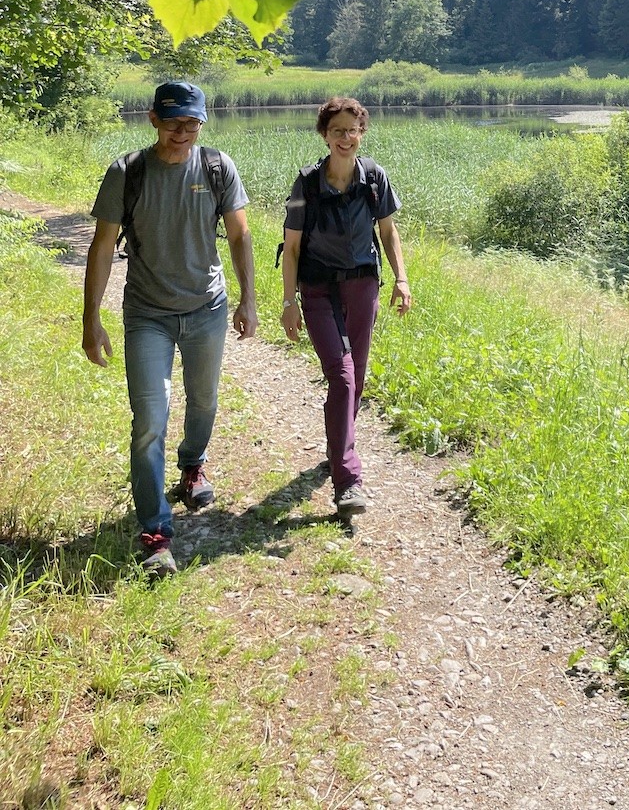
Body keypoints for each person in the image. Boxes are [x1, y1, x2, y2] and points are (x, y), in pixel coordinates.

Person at [82, 81, 257, 578]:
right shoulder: (127, 172)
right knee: (149, 419)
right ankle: (156, 533)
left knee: (204, 401)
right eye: (174, 122)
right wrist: (91, 318)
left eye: (192, 124)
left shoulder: (217, 167)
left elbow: (241, 234)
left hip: (207, 307)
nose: (183, 133)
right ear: (153, 119)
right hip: (147, 313)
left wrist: (249, 298)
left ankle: (192, 464)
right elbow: (101, 246)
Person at [279, 95, 411, 523]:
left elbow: (388, 233)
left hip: (362, 285)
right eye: (337, 131)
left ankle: (339, 445)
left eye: (353, 130)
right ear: (324, 134)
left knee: (358, 377)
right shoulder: (306, 184)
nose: (346, 138)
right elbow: (293, 248)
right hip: (317, 290)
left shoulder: (374, 178)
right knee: (342, 374)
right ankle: (347, 480)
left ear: (362, 133)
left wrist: (401, 279)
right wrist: (288, 302)